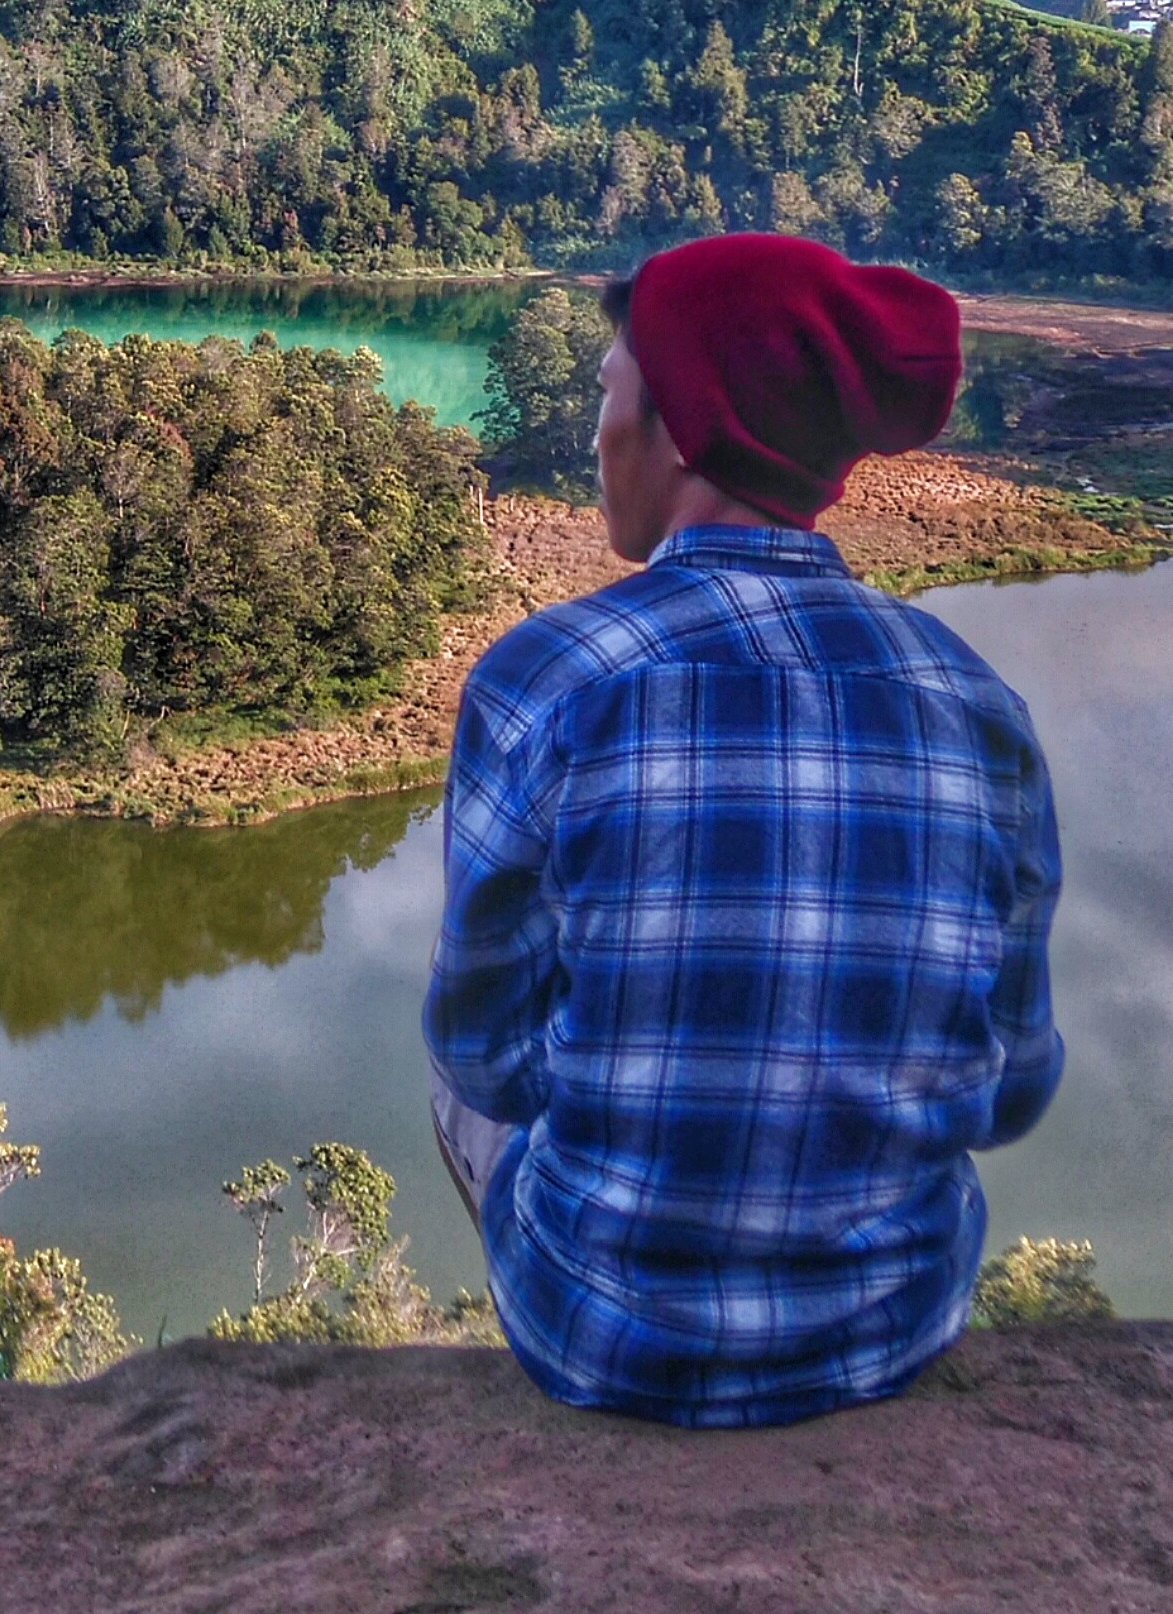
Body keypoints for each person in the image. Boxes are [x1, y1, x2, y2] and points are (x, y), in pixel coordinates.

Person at [422, 231, 1065, 1429]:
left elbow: (484, 1061)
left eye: (610, 395)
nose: (597, 434)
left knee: (450, 1077)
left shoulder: (545, 676)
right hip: (893, 1328)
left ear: (675, 430)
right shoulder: (980, 706)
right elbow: (1009, 1094)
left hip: (601, 1341)